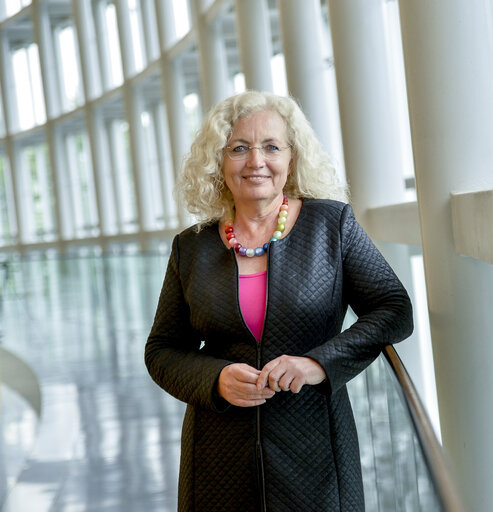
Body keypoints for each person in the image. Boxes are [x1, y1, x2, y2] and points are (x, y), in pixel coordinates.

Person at [145, 90, 413, 511]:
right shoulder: (190, 248)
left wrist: (318, 363)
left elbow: (394, 309)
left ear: (292, 157)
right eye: (239, 148)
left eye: (271, 146)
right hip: (217, 461)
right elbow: (161, 351)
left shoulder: (332, 224)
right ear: (219, 161)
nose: (256, 162)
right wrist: (215, 379)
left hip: (316, 454)